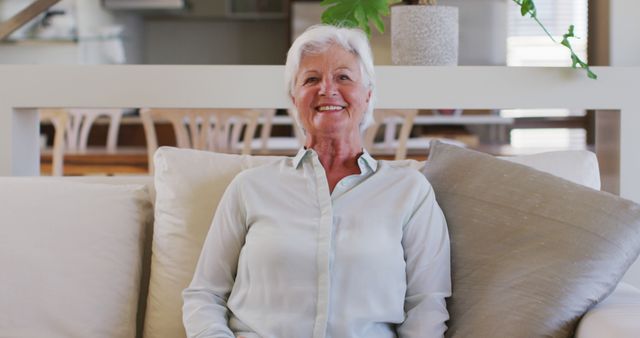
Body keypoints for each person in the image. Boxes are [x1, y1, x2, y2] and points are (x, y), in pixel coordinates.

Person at [182, 24, 451, 338]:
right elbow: (204, 294)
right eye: (311, 79)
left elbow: (427, 306)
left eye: (343, 77)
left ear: (368, 95)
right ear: (294, 99)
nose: (327, 89)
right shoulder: (249, 187)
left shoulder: (409, 191)